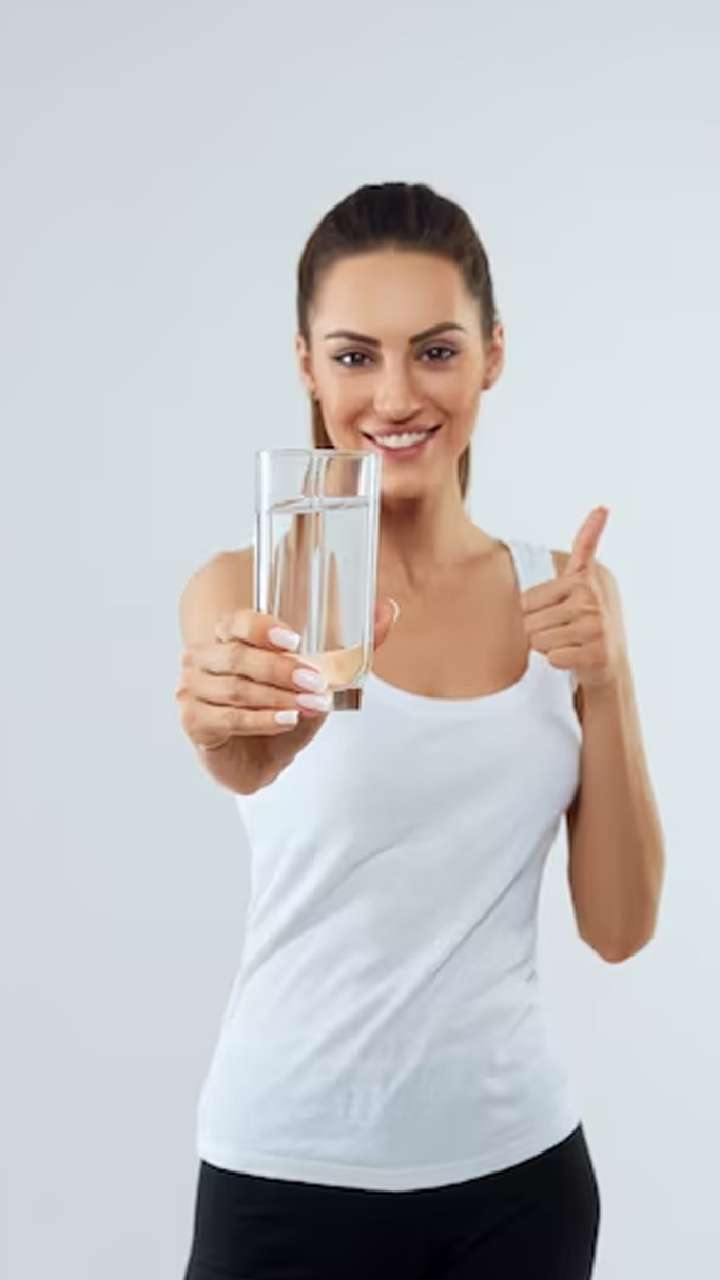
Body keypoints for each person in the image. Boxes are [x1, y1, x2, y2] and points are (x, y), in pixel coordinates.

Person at [177, 182, 602, 1278]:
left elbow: (620, 923)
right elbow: (239, 753)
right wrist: (232, 735)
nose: (397, 394)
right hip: (285, 1169)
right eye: (356, 356)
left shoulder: (564, 592)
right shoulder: (246, 590)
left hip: (521, 1176)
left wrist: (612, 677)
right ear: (307, 365)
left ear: (492, 355)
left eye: (437, 350)